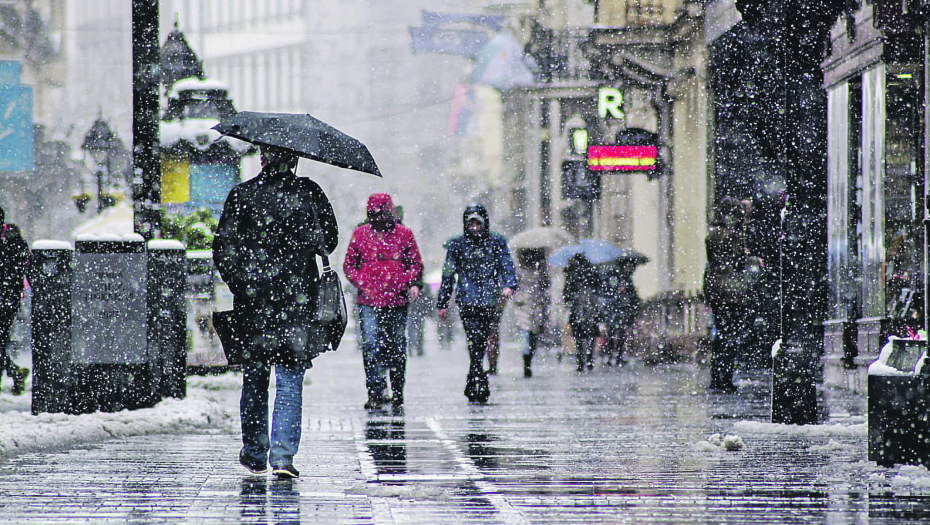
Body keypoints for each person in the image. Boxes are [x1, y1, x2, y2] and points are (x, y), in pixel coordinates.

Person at [213, 145, 338, 478]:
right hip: (297, 303)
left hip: (254, 304)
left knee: (254, 378)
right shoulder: (309, 193)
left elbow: (223, 249)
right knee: (289, 380)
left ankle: (255, 450)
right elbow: (330, 240)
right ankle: (282, 457)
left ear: (262, 158)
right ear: (294, 158)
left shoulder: (242, 195)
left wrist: (242, 283)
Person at [343, 194, 423, 413]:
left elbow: (414, 263)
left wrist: (406, 282)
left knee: (396, 347)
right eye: (375, 214)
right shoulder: (360, 235)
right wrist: (364, 283)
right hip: (369, 301)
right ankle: (376, 392)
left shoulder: (403, 235)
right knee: (371, 346)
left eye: (382, 214)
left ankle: (396, 392)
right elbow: (349, 265)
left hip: (395, 300)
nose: (378, 219)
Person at [437, 204, 516, 402]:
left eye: (477, 223)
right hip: (466, 300)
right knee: (474, 337)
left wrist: (508, 285)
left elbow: (506, 265)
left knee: (481, 336)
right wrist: (443, 301)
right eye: (470, 223)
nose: (474, 227)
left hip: (489, 299)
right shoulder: (457, 245)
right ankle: (477, 374)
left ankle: (475, 374)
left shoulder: (496, 242)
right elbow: (448, 274)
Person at [702, 196, 755, 392]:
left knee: (721, 335)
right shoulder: (734, 235)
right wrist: (748, 256)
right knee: (731, 335)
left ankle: (717, 376)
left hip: (716, 289)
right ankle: (725, 377)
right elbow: (738, 263)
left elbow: (712, 261)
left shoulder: (712, 234)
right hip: (732, 291)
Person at [0, 206, 30, 396]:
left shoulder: (12, 239)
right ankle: (15, 372)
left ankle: (13, 373)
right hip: (9, 295)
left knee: (1, 338)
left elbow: (24, 265)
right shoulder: (14, 239)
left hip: (7, 297)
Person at [512, 248, 550, 377]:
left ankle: (527, 360)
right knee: (529, 334)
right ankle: (527, 361)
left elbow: (545, 285)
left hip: (530, 305)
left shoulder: (535, 270)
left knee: (529, 334)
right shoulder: (524, 271)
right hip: (528, 305)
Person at [563, 254, 603, 372]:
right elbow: (599, 287)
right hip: (591, 306)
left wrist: (569, 302)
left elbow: (566, 294)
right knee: (590, 334)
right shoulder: (592, 272)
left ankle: (580, 361)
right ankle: (589, 359)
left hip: (578, 308)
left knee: (579, 336)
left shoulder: (571, 274)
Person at [600, 264, 641, 367]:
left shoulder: (622, 279)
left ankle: (616, 357)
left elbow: (632, 300)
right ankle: (612, 357)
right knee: (613, 336)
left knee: (619, 337)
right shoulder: (614, 279)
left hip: (620, 315)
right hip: (615, 314)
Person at [406, 279, 433, 357]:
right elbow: (429, 298)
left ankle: (416, 347)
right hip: (415, 310)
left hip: (417, 310)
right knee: (415, 330)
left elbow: (429, 299)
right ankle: (415, 348)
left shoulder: (422, 286)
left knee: (416, 330)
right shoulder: (424, 286)